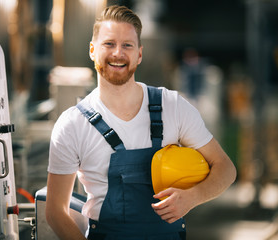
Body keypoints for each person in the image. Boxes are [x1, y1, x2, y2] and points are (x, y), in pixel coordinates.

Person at [45, 5, 236, 240]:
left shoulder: (172, 106)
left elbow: (226, 168)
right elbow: (55, 212)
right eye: (109, 44)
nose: (118, 53)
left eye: (127, 45)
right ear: (93, 50)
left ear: (139, 54)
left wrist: (193, 197)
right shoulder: (72, 124)